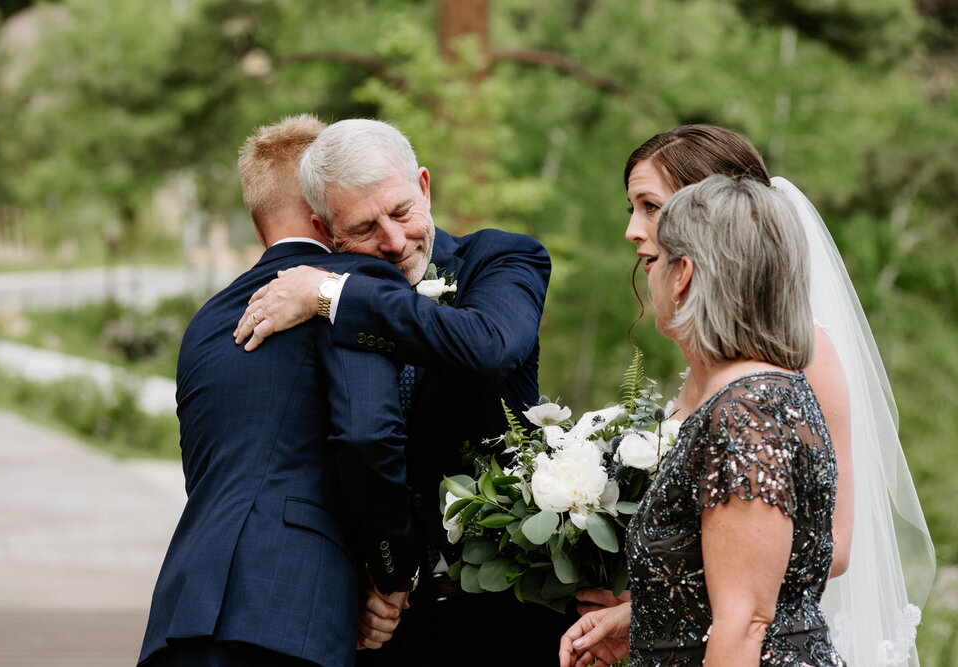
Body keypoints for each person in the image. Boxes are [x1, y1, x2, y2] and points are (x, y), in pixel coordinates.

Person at [576, 124, 935, 666]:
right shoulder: (733, 373)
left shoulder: (757, 395)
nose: (632, 231)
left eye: (652, 208)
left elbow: (764, 599)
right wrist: (650, 611)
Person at [231, 118, 563, 665]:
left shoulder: (503, 259)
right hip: (378, 621)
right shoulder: (306, 305)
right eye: (363, 228)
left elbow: (487, 348)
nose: (392, 240)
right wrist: (376, 571)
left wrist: (334, 295)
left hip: (506, 611)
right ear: (324, 228)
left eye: (402, 211)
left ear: (425, 187)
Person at [137, 115, 421, 667]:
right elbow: (366, 435)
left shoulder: (206, 322)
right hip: (290, 616)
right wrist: (393, 572)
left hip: (180, 616)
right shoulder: (349, 288)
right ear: (325, 210)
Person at [562, 175, 845, 665]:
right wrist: (647, 622)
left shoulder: (746, 413)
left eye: (656, 262)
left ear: (683, 275)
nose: (646, 271)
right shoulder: (766, 393)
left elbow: (745, 623)